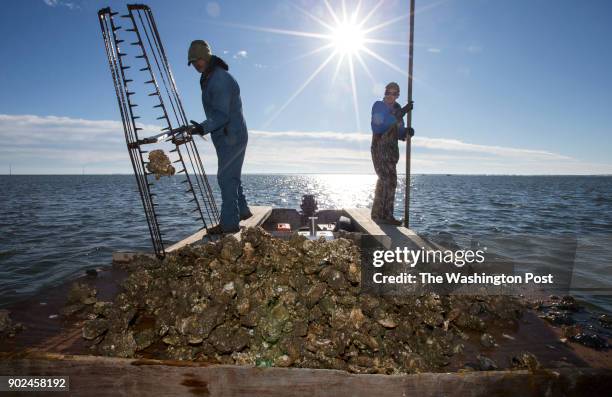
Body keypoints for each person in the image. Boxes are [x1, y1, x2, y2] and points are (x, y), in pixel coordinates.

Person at [187, 40, 252, 234]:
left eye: (198, 59)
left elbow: (222, 116)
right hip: (227, 136)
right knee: (232, 176)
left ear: (206, 57)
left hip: (231, 135)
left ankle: (229, 225)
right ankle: (242, 211)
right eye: (192, 62)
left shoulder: (219, 79)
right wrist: (199, 128)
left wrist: (201, 128)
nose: (196, 64)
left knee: (226, 177)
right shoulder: (209, 77)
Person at [370, 82, 414, 225]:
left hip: (392, 151)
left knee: (389, 182)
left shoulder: (397, 108)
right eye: (389, 92)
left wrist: (406, 132)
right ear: (385, 92)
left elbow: (399, 130)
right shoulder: (378, 106)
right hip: (379, 149)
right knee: (386, 180)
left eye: (394, 94)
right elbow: (378, 127)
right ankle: (383, 215)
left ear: (398, 96)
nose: (391, 96)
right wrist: (399, 113)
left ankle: (381, 214)